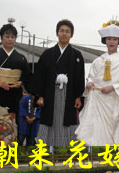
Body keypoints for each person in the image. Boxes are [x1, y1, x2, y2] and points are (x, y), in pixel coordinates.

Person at [76, 20, 119, 146]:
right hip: (97, 100)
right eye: (108, 39)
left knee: (114, 134)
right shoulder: (97, 61)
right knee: (95, 133)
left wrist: (113, 87)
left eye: (114, 39)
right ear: (105, 40)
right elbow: (91, 77)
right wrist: (90, 83)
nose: (111, 42)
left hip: (114, 101)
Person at [32, 19, 85, 149]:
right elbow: (40, 76)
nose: (64, 34)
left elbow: (80, 77)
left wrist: (78, 96)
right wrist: (39, 95)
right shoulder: (47, 54)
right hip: (50, 94)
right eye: (61, 31)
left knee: (67, 122)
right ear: (57, 33)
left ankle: (65, 151)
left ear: (71, 35)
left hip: (69, 95)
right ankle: (46, 151)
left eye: (67, 31)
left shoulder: (77, 55)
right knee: (49, 121)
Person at [0, 23, 31, 144]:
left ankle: (10, 153)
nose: (10, 39)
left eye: (13, 37)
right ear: (1, 38)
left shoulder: (21, 58)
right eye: (7, 36)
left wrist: (21, 82)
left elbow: (28, 75)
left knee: (12, 125)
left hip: (13, 96)